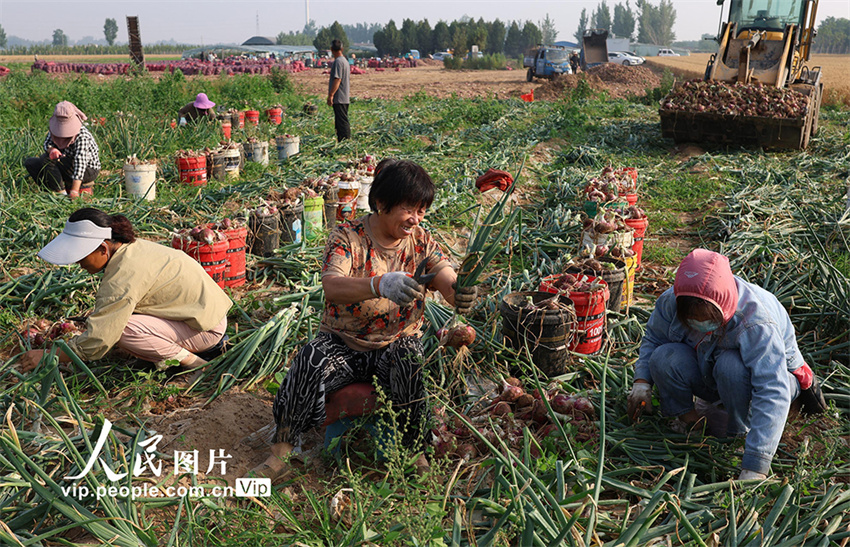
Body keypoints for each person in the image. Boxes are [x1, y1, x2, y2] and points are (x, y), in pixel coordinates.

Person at [250, 159, 477, 479]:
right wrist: (379, 284)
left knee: (409, 358)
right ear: (381, 203)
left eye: (422, 210)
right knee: (310, 357)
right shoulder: (348, 237)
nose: (416, 218)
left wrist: (461, 292)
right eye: (408, 209)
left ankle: (414, 455)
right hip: (344, 345)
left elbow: (444, 277)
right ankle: (281, 455)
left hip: (395, 344)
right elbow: (332, 285)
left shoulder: (421, 241)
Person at [627, 249, 827, 480]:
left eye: (708, 319)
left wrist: (756, 464)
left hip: (766, 380)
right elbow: (654, 338)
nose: (699, 324)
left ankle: (739, 434)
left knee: (731, 366)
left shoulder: (756, 321)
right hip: (710, 369)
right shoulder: (672, 300)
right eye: (692, 320)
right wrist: (641, 382)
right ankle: (690, 423)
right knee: (664, 356)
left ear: (724, 306)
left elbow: (772, 388)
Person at [19, 208, 232, 374]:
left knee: (121, 329)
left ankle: (197, 365)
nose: (79, 264)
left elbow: (100, 339)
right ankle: (166, 350)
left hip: (206, 330)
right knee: (116, 320)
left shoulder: (123, 275)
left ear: (103, 248)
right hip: (204, 316)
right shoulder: (131, 249)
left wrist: (50, 355)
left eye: (81, 258)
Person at [24, 101, 101, 199]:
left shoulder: (82, 136)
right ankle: (51, 190)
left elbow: (80, 163)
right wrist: (51, 150)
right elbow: (47, 143)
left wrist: (74, 191)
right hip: (67, 163)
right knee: (31, 163)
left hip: (87, 170)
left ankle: (61, 195)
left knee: (46, 159)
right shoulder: (54, 130)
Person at [327, 39, 351, 142]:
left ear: (331, 49)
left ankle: (345, 142)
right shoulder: (345, 61)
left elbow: (337, 79)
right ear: (342, 48)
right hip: (344, 97)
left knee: (342, 122)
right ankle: (342, 141)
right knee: (340, 121)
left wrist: (331, 95)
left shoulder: (338, 62)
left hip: (340, 98)